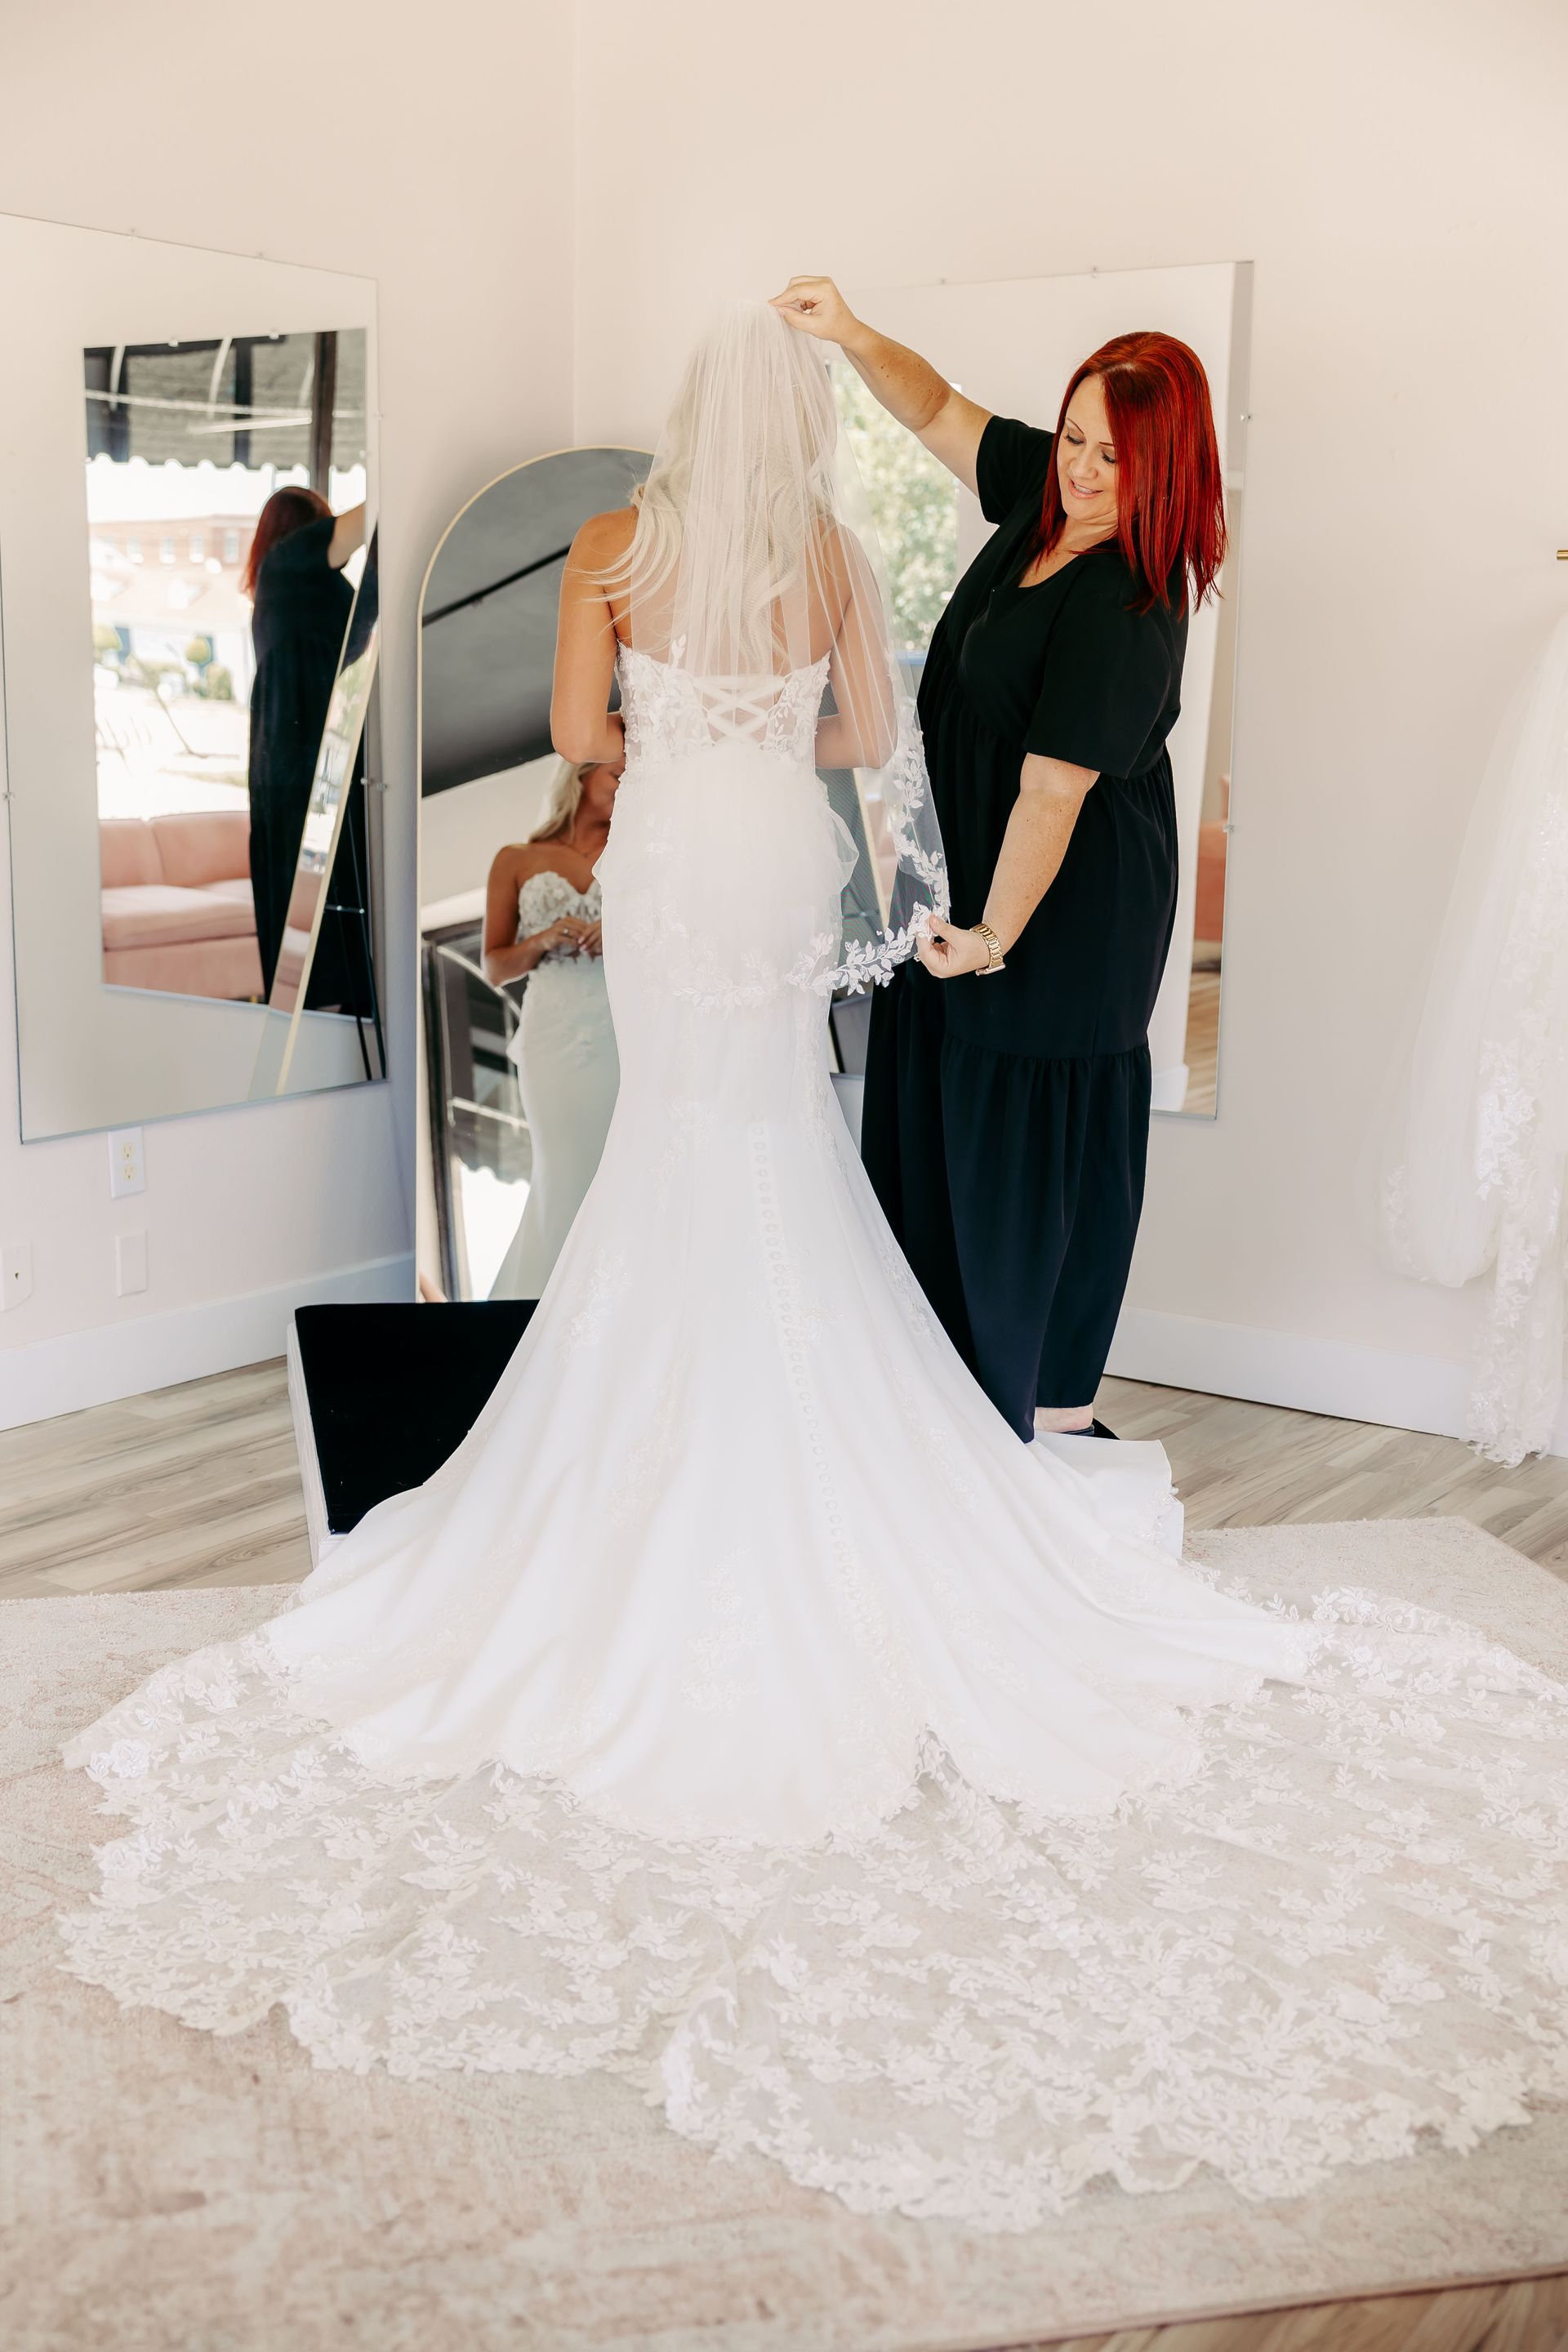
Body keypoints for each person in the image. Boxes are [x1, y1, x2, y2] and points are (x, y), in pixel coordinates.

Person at [59, 302, 1568, 2236]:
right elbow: (868, 734)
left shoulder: (615, 549)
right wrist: (833, 458)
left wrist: (666, 714)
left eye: (1112, 455)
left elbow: (590, 741)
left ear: (686, 424)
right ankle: (869, 1437)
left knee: (683, 1154)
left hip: (681, 859)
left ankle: (672, 1444)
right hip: (781, 862)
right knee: (780, 1142)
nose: (1083, 470)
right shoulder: (848, 557)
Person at [773, 277, 1215, 1444]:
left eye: (1112, 459)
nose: (1080, 470)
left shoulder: (1131, 599)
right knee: (939, 1111)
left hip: (1064, 911)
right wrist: (852, 333)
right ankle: (945, 1401)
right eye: (1074, 439)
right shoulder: (1039, 504)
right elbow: (938, 413)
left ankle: (1045, 1414)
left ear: (1164, 467)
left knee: (1024, 1134)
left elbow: (1054, 790)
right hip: (975, 882)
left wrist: (993, 938)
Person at [483, 757, 621, 1298]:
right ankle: (550, 1307)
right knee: (563, 1169)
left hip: (624, 1028)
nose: (627, 784)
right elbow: (494, 968)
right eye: (618, 773)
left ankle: (616, 1301)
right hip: (553, 1039)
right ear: (582, 775)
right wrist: (542, 940)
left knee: (624, 1163)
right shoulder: (517, 860)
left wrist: (623, 933)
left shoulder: (640, 850)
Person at [243, 486, 367, 1001]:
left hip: (290, 753)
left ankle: (320, 1006)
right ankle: (329, 1004)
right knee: (319, 888)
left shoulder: (282, 587)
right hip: (304, 754)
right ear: (306, 527)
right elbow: (366, 518)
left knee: (305, 889)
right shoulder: (290, 564)